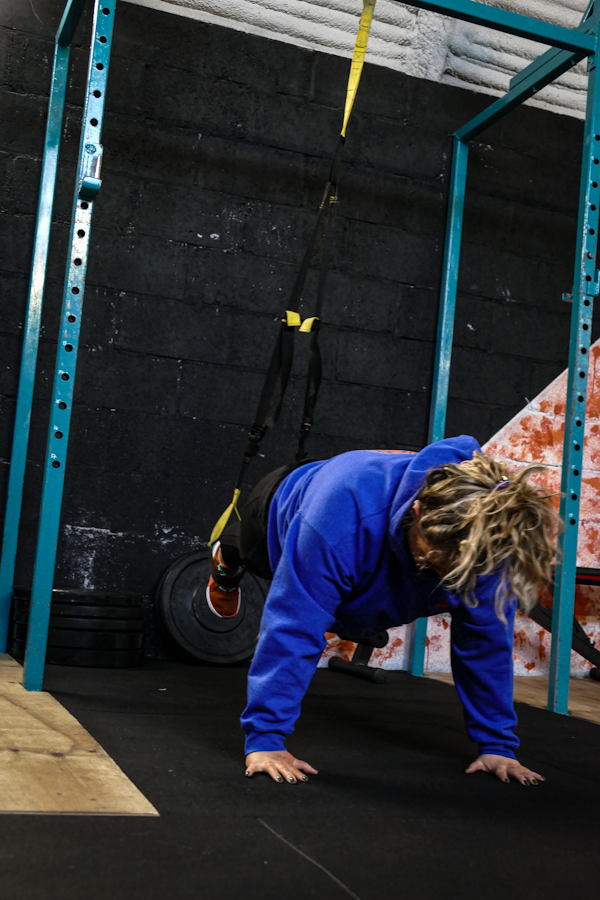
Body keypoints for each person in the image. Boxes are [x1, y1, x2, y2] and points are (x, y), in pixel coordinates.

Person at [206, 436, 556, 787]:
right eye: (438, 563)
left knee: (375, 597)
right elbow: (293, 629)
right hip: (278, 507)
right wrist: (266, 738)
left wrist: (498, 745)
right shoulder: (338, 516)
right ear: (418, 512)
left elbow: (486, 645)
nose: (447, 577)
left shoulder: (485, 549)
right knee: (255, 559)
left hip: (369, 553)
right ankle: (226, 560)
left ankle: (360, 608)